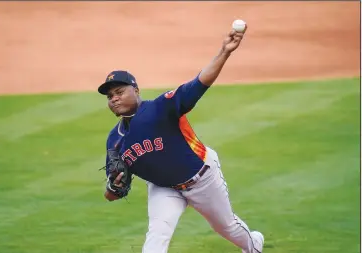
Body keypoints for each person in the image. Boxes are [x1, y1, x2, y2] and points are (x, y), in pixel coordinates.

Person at [98, 25, 264, 253]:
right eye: (109, 96)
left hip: (202, 178)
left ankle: (254, 245)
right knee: (157, 234)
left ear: (136, 90)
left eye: (119, 92)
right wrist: (113, 186)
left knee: (226, 228)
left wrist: (225, 52)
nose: (114, 99)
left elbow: (199, 84)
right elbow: (111, 193)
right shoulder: (114, 141)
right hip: (163, 188)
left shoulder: (160, 108)